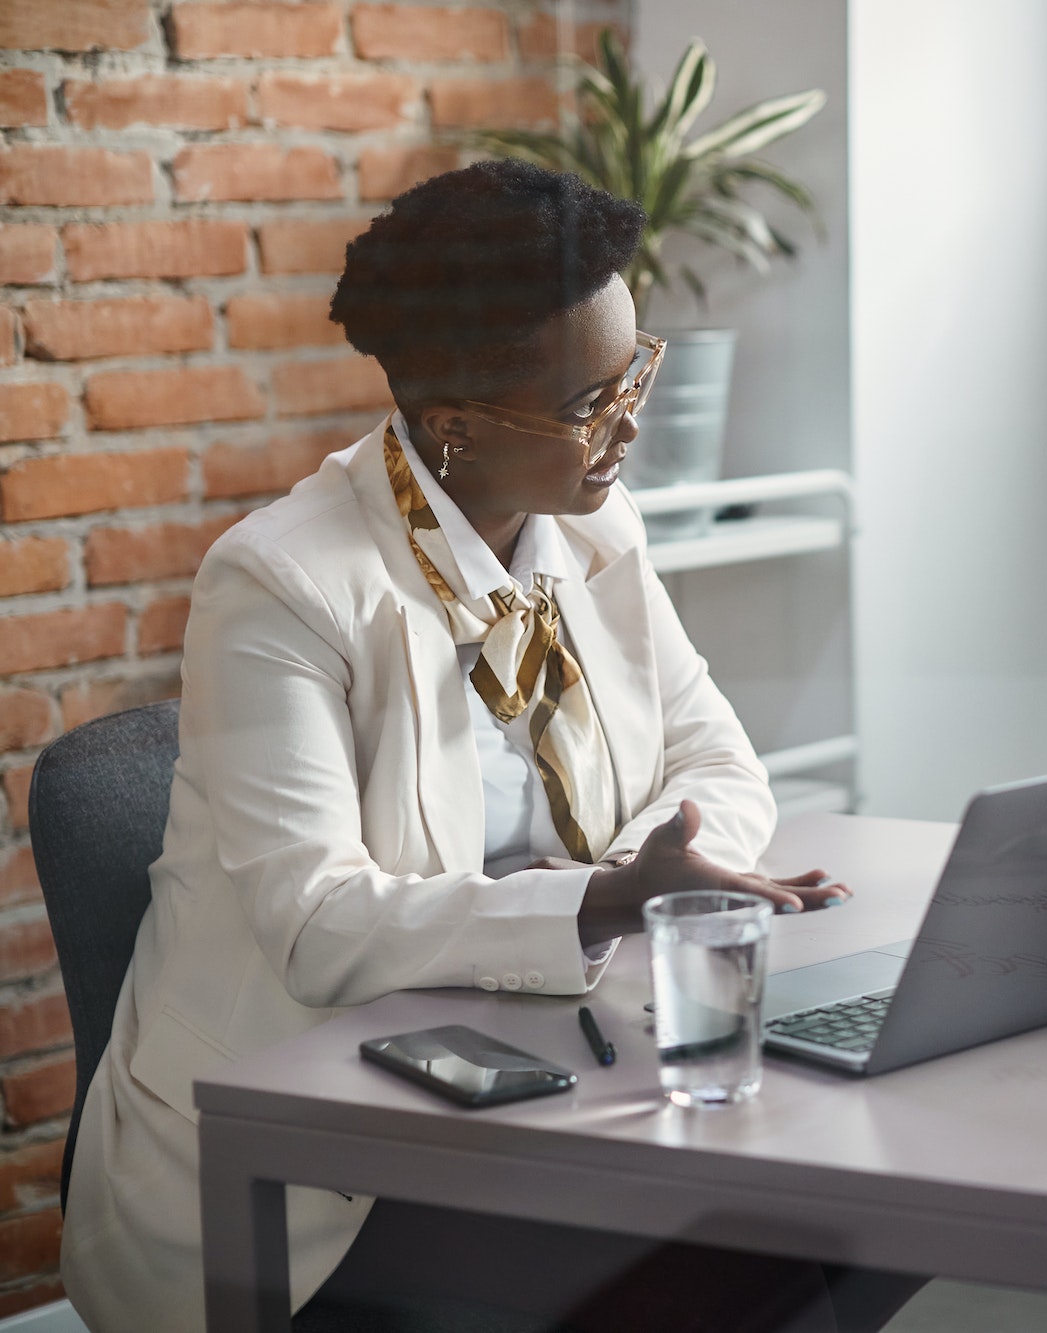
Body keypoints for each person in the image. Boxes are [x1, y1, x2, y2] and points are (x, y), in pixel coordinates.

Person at [61, 161, 916, 1332]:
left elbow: (719, 766)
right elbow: (317, 925)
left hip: (541, 1073)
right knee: (764, 1267)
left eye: (634, 375)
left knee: (842, 1235)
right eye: (585, 405)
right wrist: (606, 901)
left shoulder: (596, 526)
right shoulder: (281, 584)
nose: (627, 426)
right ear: (453, 427)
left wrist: (624, 890)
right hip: (314, 1160)